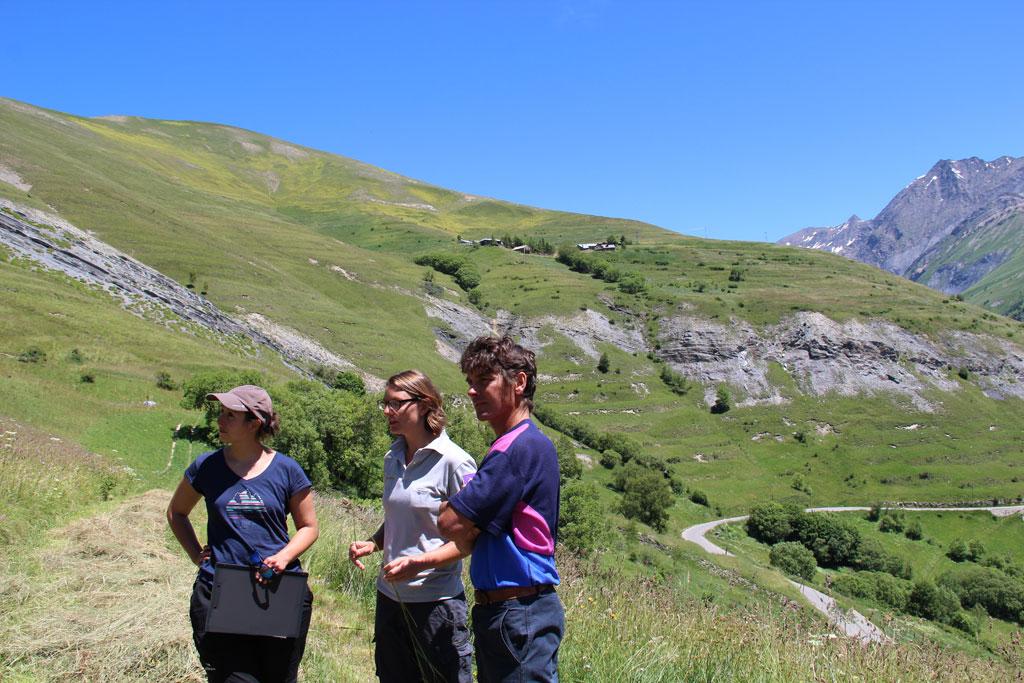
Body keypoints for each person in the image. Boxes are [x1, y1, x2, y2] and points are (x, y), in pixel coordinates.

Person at [167, 384, 318, 683]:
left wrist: (284, 557)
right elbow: (176, 513)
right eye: (221, 413)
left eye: (231, 415)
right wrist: (197, 554)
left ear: (254, 423)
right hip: (220, 590)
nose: (220, 420)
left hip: (277, 590)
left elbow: (309, 527)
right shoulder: (206, 466)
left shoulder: (287, 470)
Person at [438, 336, 564, 682]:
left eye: (483, 380)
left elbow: (450, 523)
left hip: (518, 612)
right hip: (510, 611)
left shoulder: (516, 449)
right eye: (470, 383)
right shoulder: (518, 445)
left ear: (518, 382)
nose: (472, 392)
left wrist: (458, 507)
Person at [348, 370, 477, 683]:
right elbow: (401, 517)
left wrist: (420, 562)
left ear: (424, 405)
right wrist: (373, 543)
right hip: (390, 599)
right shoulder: (392, 456)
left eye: (396, 404)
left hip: (436, 605)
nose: (387, 411)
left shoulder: (456, 463)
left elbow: (470, 539)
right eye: (385, 403)